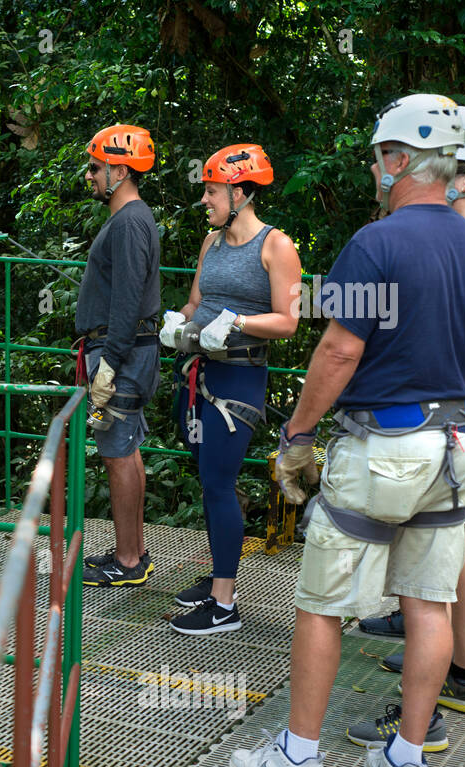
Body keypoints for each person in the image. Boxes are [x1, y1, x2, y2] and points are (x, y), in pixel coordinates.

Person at [230, 94, 465, 767]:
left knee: (323, 603)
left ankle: (297, 757)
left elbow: (341, 348)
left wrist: (297, 433)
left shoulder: (376, 242)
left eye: (380, 156)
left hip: (383, 446)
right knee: (428, 603)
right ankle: (408, 761)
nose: (376, 169)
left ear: (398, 160)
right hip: (454, 449)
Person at [349, 110, 465, 747]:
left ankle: (442, 694)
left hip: (444, 428)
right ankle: (459, 674)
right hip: (461, 429)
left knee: (444, 562)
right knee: (448, 557)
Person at [160, 144, 302, 635]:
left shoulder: (276, 246)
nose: (205, 199)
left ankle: (224, 605)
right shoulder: (211, 243)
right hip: (198, 371)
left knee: (218, 481)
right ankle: (221, 574)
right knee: (207, 476)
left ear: (240, 193)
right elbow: (198, 299)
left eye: (213, 190)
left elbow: (288, 321)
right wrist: (177, 321)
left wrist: (239, 320)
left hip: (238, 378)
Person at [75, 124, 161, 588]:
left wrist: (108, 363)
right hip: (121, 348)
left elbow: (128, 298)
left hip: (121, 353)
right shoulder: (131, 218)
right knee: (126, 450)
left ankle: (129, 561)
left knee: (117, 453)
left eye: (95, 167)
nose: (89, 175)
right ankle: (134, 551)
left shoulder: (129, 221)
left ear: (120, 169)